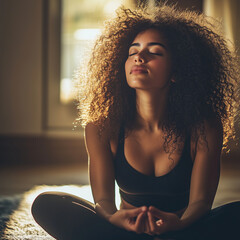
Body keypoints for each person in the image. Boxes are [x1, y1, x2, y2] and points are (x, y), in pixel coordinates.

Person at [31, 4, 240, 240]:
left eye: (155, 52)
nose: (140, 57)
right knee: (46, 204)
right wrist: (112, 218)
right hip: (122, 230)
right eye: (133, 52)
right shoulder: (101, 127)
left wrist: (179, 225)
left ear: (178, 71)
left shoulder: (204, 126)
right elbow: (103, 201)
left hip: (183, 229)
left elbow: (201, 203)